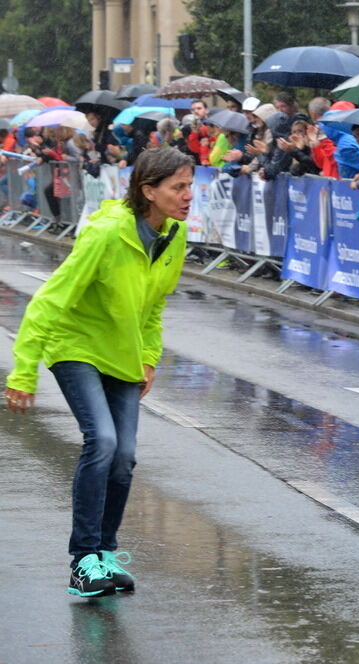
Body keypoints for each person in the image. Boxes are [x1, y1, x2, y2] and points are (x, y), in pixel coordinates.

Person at [4, 147, 193, 597]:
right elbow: (51, 300)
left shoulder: (175, 235)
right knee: (103, 441)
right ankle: (83, 560)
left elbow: (153, 306)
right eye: (178, 187)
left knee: (124, 456)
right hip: (77, 345)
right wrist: (23, 371)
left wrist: (148, 358)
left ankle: (104, 556)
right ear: (149, 191)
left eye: (190, 186)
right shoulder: (106, 234)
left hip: (122, 355)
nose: (188, 196)